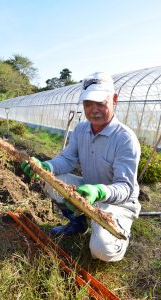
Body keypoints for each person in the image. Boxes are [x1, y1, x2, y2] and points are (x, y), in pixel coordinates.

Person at [21, 71, 141, 262]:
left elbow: (125, 187)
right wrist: (45, 166)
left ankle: (120, 232)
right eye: (88, 103)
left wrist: (99, 192)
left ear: (114, 99)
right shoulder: (81, 129)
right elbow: (67, 159)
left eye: (101, 102)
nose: (94, 110)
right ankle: (79, 223)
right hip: (88, 191)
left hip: (118, 203)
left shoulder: (125, 138)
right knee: (50, 180)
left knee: (102, 251)